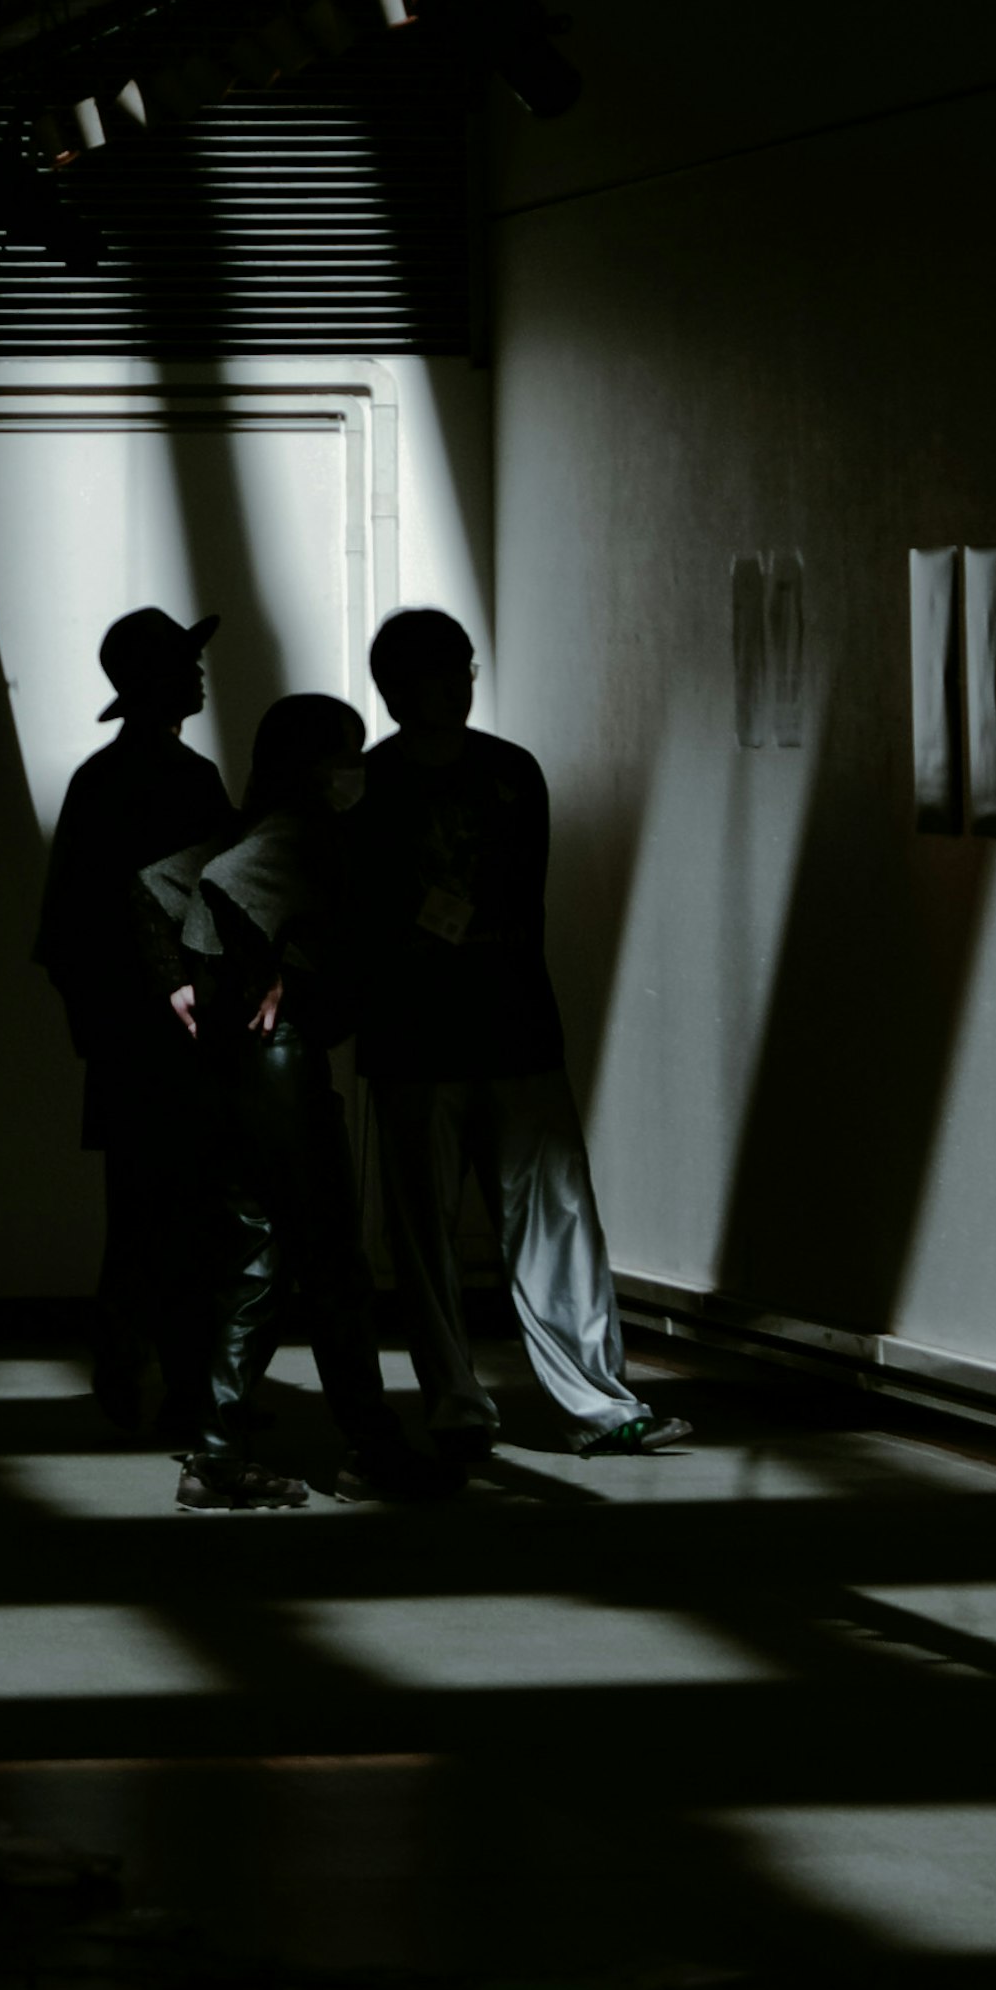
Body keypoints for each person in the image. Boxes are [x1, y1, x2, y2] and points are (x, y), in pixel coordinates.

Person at [349, 606, 690, 1459]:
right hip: (432, 1036)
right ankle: (467, 1403)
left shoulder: (501, 771)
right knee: (438, 1230)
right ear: (399, 686)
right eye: (447, 668)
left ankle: (592, 1400)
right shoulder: (385, 783)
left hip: (498, 1029)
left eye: (465, 666)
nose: (463, 682)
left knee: (546, 1219)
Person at [134, 691, 450, 1511]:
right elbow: (220, 885)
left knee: (261, 1254)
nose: (358, 765)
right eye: (345, 750)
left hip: (244, 1070)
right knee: (335, 1263)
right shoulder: (299, 831)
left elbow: (158, 887)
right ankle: (370, 1450)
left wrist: (188, 978)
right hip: (281, 1066)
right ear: (314, 762)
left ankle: (217, 1457)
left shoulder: (263, 822)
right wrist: (262, 965)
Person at [31, 604, 232, 1435]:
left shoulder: (109, 782)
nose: (200, 673)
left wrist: (103, 1028)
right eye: (186, 662)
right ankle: (174, 1383)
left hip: (136, 1040)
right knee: (178, 1216)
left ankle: (137, 1379)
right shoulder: (183, 782)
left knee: (149, 1217)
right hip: (165, 1042)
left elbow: (65, 935)